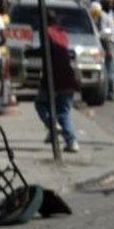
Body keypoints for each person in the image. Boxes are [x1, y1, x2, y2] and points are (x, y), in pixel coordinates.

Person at [35, 9, 81, 153]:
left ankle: (52, 124)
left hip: (53, 77)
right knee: (64, 111)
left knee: (41, 104)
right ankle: (70, 141)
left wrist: (31, 51)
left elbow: (47, 52)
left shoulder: (47, 33)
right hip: (68, 77)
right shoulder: (62, 33)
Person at [92, 1, 114, 100]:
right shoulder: (103, 17)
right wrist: (108, 50)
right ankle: (110, 94)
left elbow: (104, 33)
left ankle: (109, 92)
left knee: (110, 69)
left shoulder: (103, 17)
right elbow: (105, 34)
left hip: (109, 44)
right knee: (110, 70)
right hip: (108, 44)